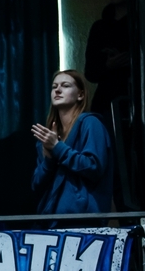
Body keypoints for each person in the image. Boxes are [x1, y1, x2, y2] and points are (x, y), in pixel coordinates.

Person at [31, 70, 113, 215]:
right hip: (50, 221)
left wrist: (58, 148)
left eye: (65, 85)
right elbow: (36, 184)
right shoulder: (48, 136)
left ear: (80, 95)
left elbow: (93, 167)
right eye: (54, 86)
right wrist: (49, 159)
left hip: (82, 219)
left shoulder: (91, 123)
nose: (57, 90)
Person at [83, 0, 132, 130]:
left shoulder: (143, 23)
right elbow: (90, 72)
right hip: (106, 102)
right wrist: (108, 65)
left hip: (136, 99)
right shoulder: (99, 28)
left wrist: (129, 60)